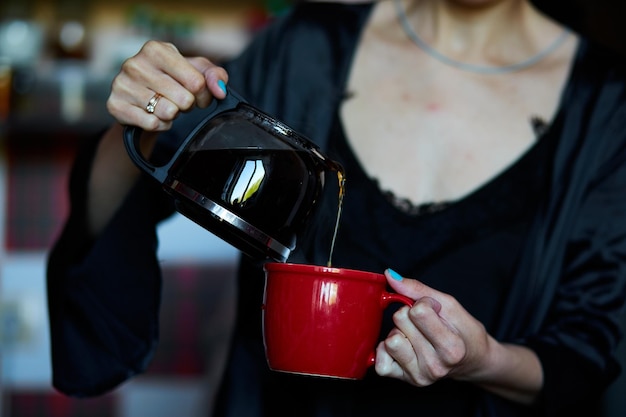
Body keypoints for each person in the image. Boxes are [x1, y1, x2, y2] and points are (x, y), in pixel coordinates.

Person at [46, 0, 626, 416]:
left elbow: (586, 351)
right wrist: (140, 126)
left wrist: (483, 360)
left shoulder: (605, 104)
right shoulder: (305, 46)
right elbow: (129, 202)